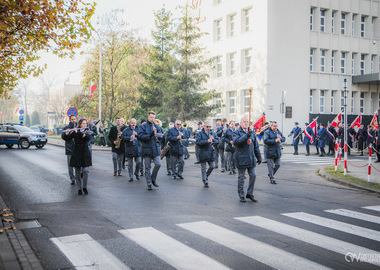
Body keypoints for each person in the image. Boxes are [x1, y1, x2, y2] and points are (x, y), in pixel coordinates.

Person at [233, 117, 262, 202]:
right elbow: (237, 142)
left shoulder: (252, 133)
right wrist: (246, 136)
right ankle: (241, 195)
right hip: (241, 158)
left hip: (251, 158)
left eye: (247, 122)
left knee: (253, 175)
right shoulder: (236, 132)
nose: (246, 123)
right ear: (240, 123)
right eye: (244, 122)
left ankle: (250, 193)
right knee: (241, 177)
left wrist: (259, 157)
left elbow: (255, 146)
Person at [67, 118, 92, 195]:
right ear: (80, 124)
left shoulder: (87, 131)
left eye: (86, 123)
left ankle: (85, 187)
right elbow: (67, 138)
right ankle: (79, 188)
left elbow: (87, 138)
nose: (85, 125)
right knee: (77, 172)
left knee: (85, 171)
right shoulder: (76, 131)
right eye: (83, 123)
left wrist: (79, 133)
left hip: (85, 153)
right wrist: (68, 133)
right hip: (77, 153)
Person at [138, 111, 162, 190]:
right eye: (151, 117)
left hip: (155, 148)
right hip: (147, 149)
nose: (152, 119)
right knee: (147, 167)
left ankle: (153, 179)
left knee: (158, 164)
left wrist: (161, 136)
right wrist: (151, 134)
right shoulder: (143, 126)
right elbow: (141, 137)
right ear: (148, 117)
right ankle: (149, 183)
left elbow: (161, 135)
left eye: (153, 117)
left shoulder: (156, 126)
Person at [195, 121, 219, 188]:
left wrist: (214, 140)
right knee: (203, 168)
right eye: (207, 126)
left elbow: (218, 141)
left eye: (209, 126)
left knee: (212, 166)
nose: (208, 128)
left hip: (211, 152)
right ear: (204, 126)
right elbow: (198, 142)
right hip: (203, 152)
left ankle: (206, 176)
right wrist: (207, 141)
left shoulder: (212, 133)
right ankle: (205, 180)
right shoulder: (199, 133)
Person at [61, 115, 77, 185]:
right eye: (72, 119)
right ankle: (72, 178)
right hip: (70, 148)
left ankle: (78, 177)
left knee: (78, 165)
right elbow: (63, 137)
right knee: (70, 165)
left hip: (77, 148)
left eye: (74, 119)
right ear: (70, 120)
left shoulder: (78, 127)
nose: (74, 120)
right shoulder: (66, 128)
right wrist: (66, 134)